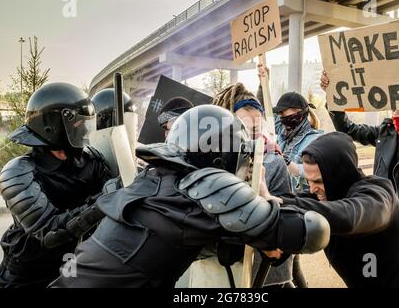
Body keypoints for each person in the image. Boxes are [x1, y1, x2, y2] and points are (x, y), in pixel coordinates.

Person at [49, 105, 330, 288]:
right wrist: (266, 202)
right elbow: (313, 231)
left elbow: (187, 232)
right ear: (223, 157)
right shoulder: (204, 189)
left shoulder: (154, 179)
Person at [260, 132, 399, 288]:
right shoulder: (323, 197)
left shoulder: (378, 193)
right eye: (309, 181)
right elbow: (278, 251)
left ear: (339, 173)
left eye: (319, 181)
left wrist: (276, 202)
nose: (312, 189)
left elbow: (349, 217)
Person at [320, 62, 399, 278]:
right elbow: (348, 129)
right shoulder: (386, 131)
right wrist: (333, 96)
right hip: (384, 226)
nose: (398, 101)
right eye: (397, 95)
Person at [0, 83, 113, 288]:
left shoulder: (91, 160)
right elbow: (50, 232)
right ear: (53, 126)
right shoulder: (18, 172)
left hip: (73, 264)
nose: (85, 128)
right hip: (27, 275)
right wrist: (106, 199)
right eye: (78, 123)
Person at [212, 83, 294, 288]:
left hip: (265, 274)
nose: (250, 136)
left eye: (256, 129)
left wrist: (262, 195)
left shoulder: (274, 163)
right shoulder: (211, 162)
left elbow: (284, 220)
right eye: (243, 128)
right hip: (220, 270)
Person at [257, 65, 322, 194]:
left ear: (299, 113)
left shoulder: (315, 140)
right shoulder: (282, 130)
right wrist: (263, 84)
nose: (281, 118)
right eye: (279, 114)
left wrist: (284, 161)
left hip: (300, 202)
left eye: (283, 113)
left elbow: (314, 172)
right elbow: (263, 112)